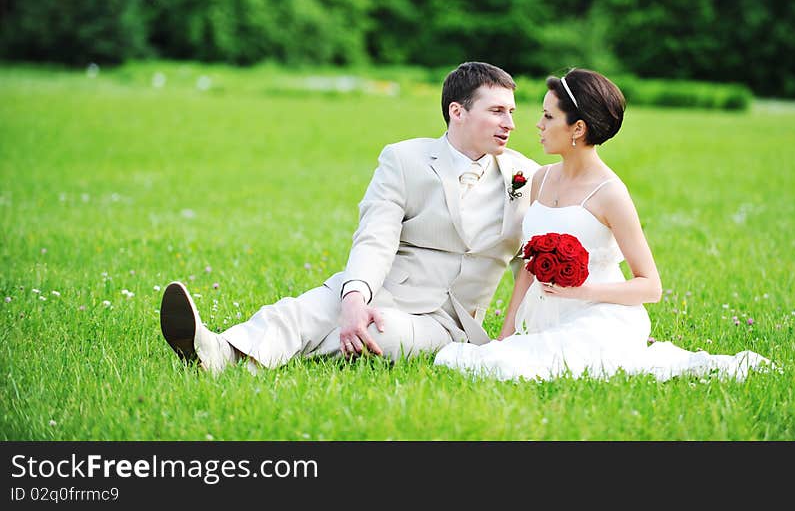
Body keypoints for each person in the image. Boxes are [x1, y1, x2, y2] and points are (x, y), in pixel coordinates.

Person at [160, 62, 540, 374]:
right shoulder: (404, 160)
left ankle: (242, 362)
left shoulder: (527, 176)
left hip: (447, 319)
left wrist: (520, 334)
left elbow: (533, 261)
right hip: (385, 285)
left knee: (381, 336)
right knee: (302, 311)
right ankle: (217, 349)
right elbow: (377, 235)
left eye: (511, 112)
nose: (510, 123)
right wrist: (356, 296)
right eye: (496, 111)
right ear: (457, 112)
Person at [434, 68, 772, 382]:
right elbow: (530, 267)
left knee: (518, 367)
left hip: (601, 319)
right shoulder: (541, 178)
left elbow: (650, 286)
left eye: (549, 116)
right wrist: (506, 334)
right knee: (483, 359)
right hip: (546, 318)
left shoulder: (610, 193)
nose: (537, 124)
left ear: (578, 129)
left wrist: (581, 291)